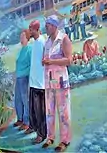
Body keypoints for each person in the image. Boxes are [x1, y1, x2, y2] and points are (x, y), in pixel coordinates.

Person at [42, 15, 72, 152]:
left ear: (54, 26)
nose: (46, 27)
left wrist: (52, 61)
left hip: (61, 82)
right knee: (49, 111)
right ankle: (50, 137)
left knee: (63, 112)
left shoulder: (64, 39)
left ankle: (65, 140)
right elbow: (45, 59)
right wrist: (45, 61)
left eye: (48, 25)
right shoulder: (47, 42)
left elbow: (69, 60)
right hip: (49, 82)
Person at [24, 20, 47, 144]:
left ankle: (42, 134)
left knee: (40, 111)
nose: (29, 31)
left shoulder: (43, 42)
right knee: (33, 108)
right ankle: (33, 127)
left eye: (31, 29)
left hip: (41, 83)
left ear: (37, 29)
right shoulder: (35, 43)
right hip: (33, 82)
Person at [13, 29, 32, 131]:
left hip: (25, 78)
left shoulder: (29, 49)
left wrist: (26, 74)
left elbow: (31, 65)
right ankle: (20, 119)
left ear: (27, 38)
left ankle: (27, 122)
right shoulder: (21, 50)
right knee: (18, 99)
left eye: (23, 37)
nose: (21, 39)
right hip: (19, 77)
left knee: (25, 100)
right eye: (20, 37)